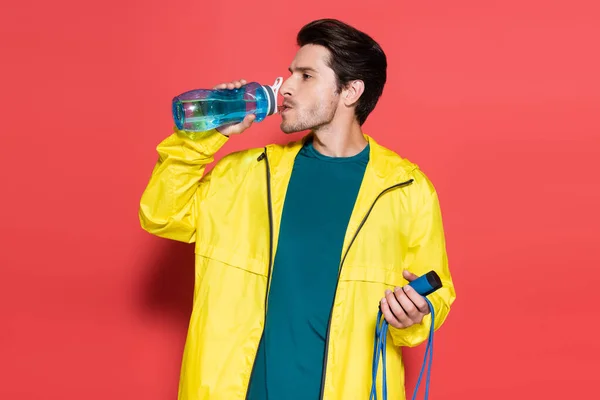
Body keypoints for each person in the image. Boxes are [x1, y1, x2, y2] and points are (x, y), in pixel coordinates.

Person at [139, 18, 456, 400]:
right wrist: (204, 136)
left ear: (351, 91)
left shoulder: (406, 188)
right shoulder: (245, 174)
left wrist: (413, 315)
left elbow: (436, 294)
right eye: (290, 74)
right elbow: (161, 214)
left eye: (305, 76)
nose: (285, 86)